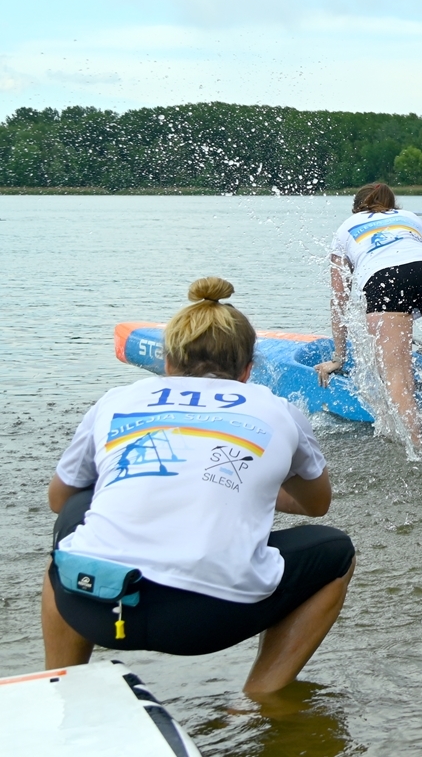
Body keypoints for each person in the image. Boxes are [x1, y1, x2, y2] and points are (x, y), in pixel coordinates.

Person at [42, 278, 354, 696]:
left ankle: (57, 684)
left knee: (76, 517)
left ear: (168, 363)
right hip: (207, 622)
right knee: (336, 553)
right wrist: (244, 486)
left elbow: (58, 498)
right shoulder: (279, 409)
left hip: (95, 606)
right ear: (247, 370)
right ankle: (260, 696)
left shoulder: (117, 400)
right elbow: (316, 504)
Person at [315, 182, 422, 447]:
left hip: (384, 279)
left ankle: (417, 446)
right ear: (392, 204)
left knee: (397, 374)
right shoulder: (410, 218)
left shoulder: (345, 228)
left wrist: (338, 358)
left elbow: (339, 299)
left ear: (356, 208)